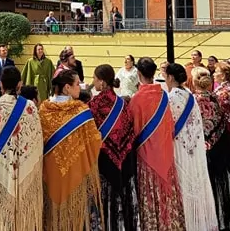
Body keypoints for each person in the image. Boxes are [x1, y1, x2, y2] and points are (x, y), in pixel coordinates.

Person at [0, 65, 44, 230]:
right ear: (20, 84)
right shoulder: (31, 108)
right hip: (25, 170)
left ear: (0, 84)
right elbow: (37, 142)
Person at [38, 69, 102, 229]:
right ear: (67, 87)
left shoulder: (44, 110)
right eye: (77, 83)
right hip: (75, 171)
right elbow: (94, 141)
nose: (80, 86)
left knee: (52, 217)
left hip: (50, 171)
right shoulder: (81, 110)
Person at [128, 57, 186, 231]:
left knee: (150, 195)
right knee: (167, 194)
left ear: (138, 74)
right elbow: (170, 127)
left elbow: (134, 131)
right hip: (165, 153)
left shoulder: (136, 99)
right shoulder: (164, 96)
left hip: (146, 157)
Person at [165, 63, 218, 231]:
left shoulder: (170, 98)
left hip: (180, 149)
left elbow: (168, 127)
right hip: (194, 147)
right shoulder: (191, 96)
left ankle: (187, 223)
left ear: (171, 78)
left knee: (183, 185)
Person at [89, 64, 138, 231]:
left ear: (102, 82)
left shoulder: (93, 105)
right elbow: (129, 130)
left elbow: (90, 134)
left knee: (106, 201)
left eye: (95, 78)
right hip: (124, 159)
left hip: (103, 161)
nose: (93, 82)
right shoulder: (123, 104)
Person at [193, 67, 230, 230]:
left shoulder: (194, 100)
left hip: (203, 146)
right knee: (221, 180)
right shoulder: (216, 97)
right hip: (220, 142)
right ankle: (224, 218)